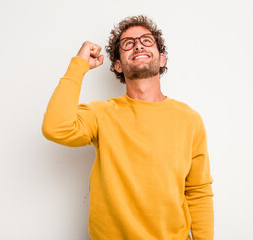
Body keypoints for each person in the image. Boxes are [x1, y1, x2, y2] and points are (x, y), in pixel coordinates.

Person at [42, 15, 214, 240]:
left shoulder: (190, 120)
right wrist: (79, 65)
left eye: (146, 40)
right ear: (118, 65)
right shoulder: (101, 114)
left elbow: (198, 192)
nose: (138, 44)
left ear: (162, 59)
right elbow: (56, 127)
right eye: (128, 43)